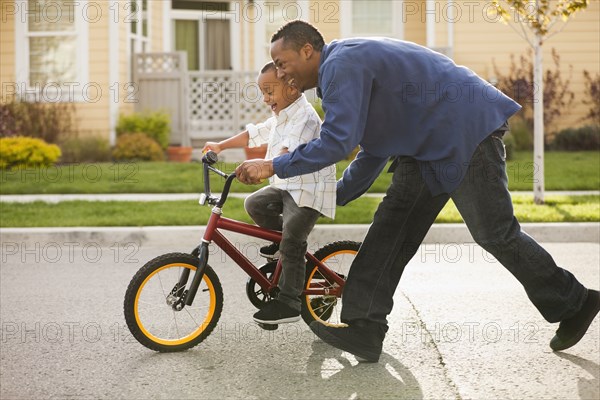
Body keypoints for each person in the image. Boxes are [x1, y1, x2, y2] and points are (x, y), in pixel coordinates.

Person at [235, 20, 600, 361]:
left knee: (495, 233)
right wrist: (331, 196)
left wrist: (273, 166)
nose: (281, 74)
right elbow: (373, 150)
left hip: (463, 131)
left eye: (282, 64)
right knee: (390, 228)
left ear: (307, 51)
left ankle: (575, 302)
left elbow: (336, 142)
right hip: (426, 146)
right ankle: (365, 326)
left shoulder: (341, 66)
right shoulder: (341, 71)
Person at [202, 61, 336, 325]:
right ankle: (284, 249)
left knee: (293, 240)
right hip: (288, 187)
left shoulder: (305, 118)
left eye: (269, 91)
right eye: (262, 92)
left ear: (293, 88)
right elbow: (256, 133)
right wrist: (220, 145)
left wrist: (263, 168)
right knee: (255, 203)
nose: (265, 98)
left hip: (308, 191)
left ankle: (288, 302)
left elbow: (289, 156)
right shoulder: (282, 115)